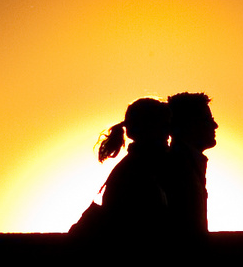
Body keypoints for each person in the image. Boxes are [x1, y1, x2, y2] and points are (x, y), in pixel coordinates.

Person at [70, 97, 174, 239]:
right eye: (165, 125)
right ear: (151, 128)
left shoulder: (132, 166)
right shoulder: (139, 169)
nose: (169, 132)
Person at [166, 92, 216, 236]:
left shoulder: (186, 164)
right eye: (208, 119)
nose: (215, 125)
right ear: (189, 124)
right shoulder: (177, 169)